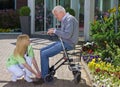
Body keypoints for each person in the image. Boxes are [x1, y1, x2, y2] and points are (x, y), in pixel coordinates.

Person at [40, 5, 79, 81]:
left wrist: (55, 31)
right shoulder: (66, 19)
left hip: (68, 44)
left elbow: (67, 35)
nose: (55, 17)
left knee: (44, 54)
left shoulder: (69, 19)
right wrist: (55, 30)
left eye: (56, 15)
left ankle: (44, 76)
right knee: (42, 51)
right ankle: (46, 72)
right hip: (64, 42)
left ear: (61, 12)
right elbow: (64, 31)